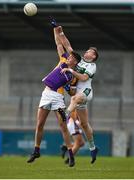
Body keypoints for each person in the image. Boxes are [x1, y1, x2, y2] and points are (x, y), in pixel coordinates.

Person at [27, 25, 81, 167]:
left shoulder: (71, 74)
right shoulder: (63, 59)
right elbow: (59, 43)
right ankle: (36, 150)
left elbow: (71, 91)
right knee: (39, 124)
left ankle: (70, 155)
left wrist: (70, 87)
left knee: (63, 127)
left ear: (75, 62)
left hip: (57, 97)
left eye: (71, 58)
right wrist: (55, 29)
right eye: (69, 56)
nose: (69, 57)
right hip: (46, 94)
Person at [51, 20, 99, 164]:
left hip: (86, 92)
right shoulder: (78, 61)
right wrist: (59, 31)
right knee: (84, 124)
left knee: (74, 99)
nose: (87, 52)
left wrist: (72, 71)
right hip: (77, 95)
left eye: (91, 52)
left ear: (94, 56)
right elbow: (66, 44)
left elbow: (84, 77)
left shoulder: (92, 66)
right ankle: (93, 147)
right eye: (88, 50)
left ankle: (64, 115)